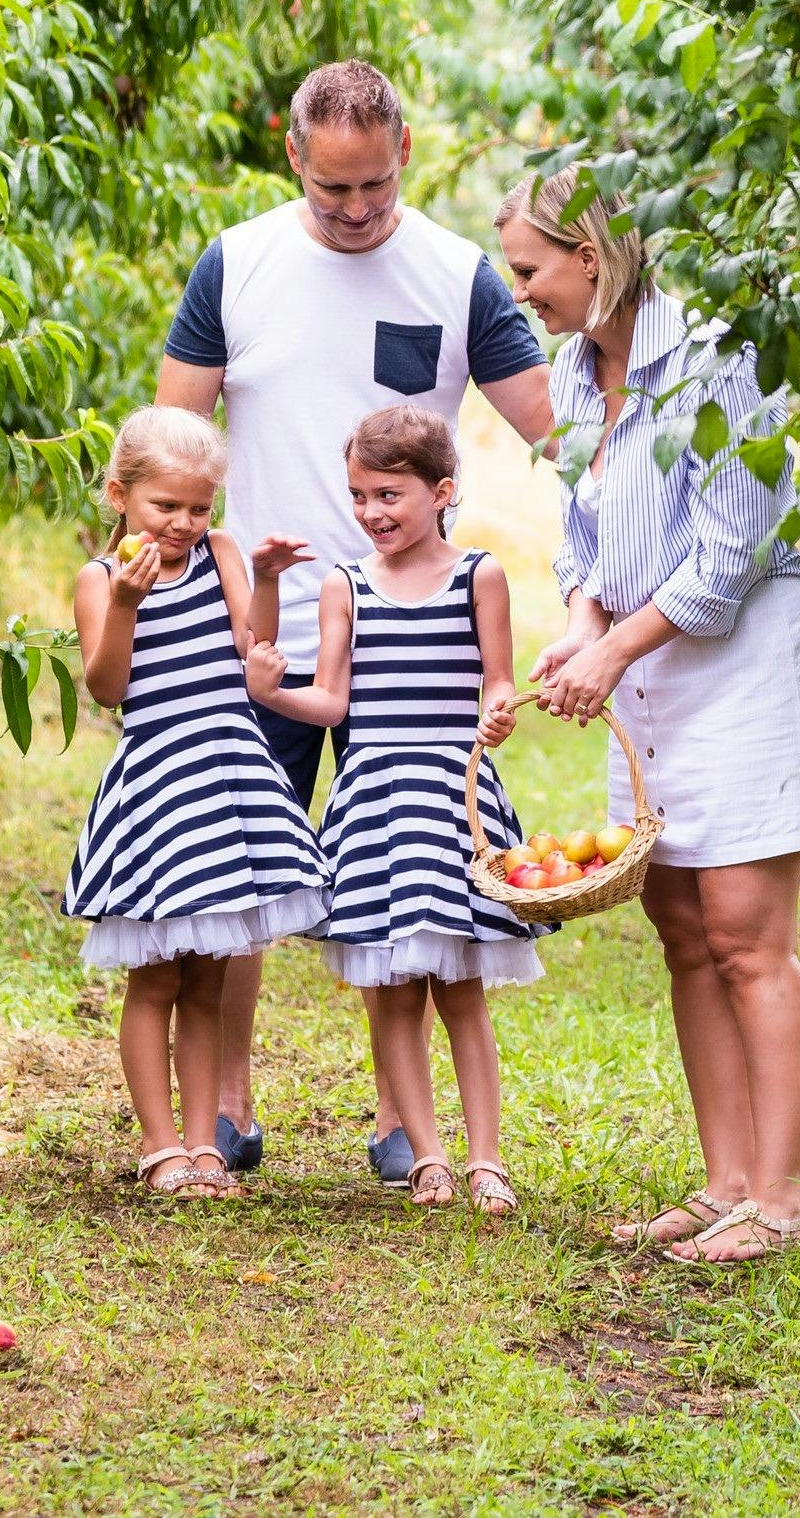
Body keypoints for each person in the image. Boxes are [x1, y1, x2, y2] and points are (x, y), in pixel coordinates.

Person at [158, 59, 553, 1182]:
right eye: (333, 190)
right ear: (293, 158)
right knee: (239, 867)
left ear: (405, 154)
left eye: (373, 186)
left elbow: (555, 426)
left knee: (409, 866)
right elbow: (169, 442)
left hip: (405, 621)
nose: (354, 209)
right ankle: (227, 1108)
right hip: (267, 612)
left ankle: (403, 1123)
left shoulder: (457, 273)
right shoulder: (236, 263)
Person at [494, 170, 800, 1264]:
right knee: (684, 933)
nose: (520, 294)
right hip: (646, 667)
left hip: (735, 667)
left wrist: (609, 649)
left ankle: (780, 1198)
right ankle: (723, 1182)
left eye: (529, 269)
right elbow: (584, 535)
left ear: (591, 259)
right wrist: (579, 620)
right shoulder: (569, 369)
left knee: (748, 936)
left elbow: (728, 555)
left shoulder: (715, 360)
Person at [249, 406, 539, 1214]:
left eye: (390, 495)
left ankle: (488, 1159)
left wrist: (502, 709)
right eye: (358, 496)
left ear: (442, 491)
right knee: (395, 994)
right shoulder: (344, 585)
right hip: (376, 803)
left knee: (463, 991)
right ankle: (427, 1156)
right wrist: (277, 693)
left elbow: (499, 679)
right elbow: (334, 701)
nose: (372, 512)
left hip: (455, 801)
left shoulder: (479, 574)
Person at [62, 406, 327, 1198]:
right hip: (162, 787)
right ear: (119, 495)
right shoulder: (102, 580)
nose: (183, 523)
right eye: (164, 507)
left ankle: (208, 1145)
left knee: (211, 975)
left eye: (198, 507)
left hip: (229, 773)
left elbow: (255, 652)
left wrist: (270, 581)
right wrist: (128, 607)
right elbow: (109, 689)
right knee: (157, 976)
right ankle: (160, 1145)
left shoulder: (219, 554)